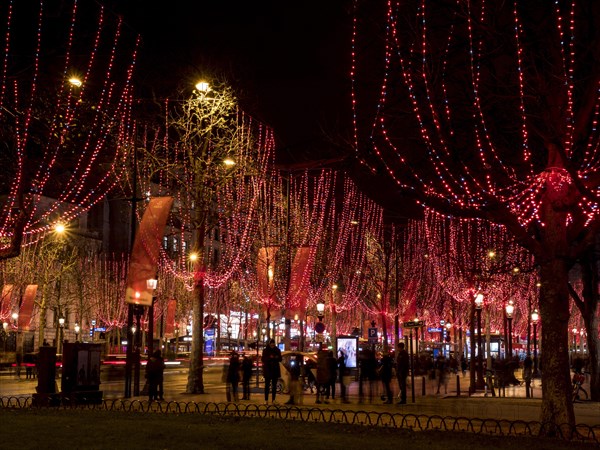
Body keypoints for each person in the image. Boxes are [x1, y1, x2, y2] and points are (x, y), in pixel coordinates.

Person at [261, 339, 282, 403]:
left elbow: (280, 359)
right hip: (268, 369)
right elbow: (263, 359)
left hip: (274, 370)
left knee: (274, 386)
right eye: (271, 344)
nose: (272, 345)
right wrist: (270, 358)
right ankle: (266, 399)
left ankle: (273, 399)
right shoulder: (265, 350)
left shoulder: (277, 350)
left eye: (273, 344)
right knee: (267, 385)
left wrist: (275, 357)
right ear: (269, 344)